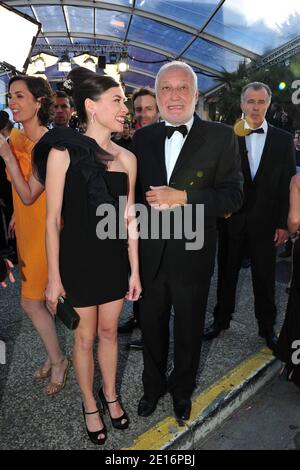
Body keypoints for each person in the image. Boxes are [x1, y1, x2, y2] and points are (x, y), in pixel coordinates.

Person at [33, 67, 141, 445]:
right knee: (84, 338)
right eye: (118, 100)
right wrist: (53, 278)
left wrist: (135, 271)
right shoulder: (63, 153)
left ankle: (110, 395)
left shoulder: (128, 158)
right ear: (92, 107)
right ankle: (89, 404)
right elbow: (51, 221)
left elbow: (130, 219)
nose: (124, 108)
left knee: (110, 333)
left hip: (113, 261)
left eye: (124, 101)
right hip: (77, 261)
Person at [132, 61, 243, 421]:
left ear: (196, 95)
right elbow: (132, 200)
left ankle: (181, 391)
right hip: (150, 253)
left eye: (183, 88)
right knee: (150, 325)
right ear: (157, 94)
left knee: (190, 327)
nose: (174, 95)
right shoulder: (143, 137)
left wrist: (183, 197)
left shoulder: (222, 136)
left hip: (193, 253)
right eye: (166, 88)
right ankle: (152, 388)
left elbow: (232, 197)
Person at [205, 82, 296, 350]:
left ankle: (266, 328)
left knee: (265, 277)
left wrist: (282, 223)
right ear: (242, 104)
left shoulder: (282, 139)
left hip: (266, 223)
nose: (255, 107)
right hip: (231, 220)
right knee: (226, 274)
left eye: (261, 102)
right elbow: (215, 177)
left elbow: (287, 184)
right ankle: (220, 320)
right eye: (250, 102)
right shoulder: (227, 136)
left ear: (268, 104)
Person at [0, 75, 69, 394]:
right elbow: (23, 193)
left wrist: (6, 156)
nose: (12, 101)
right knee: (40, 300)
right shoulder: (17, 137)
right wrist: (16, 212)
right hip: (27, 225)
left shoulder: (49, 145)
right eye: (10, 96)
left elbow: (30, 193)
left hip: (46, 230)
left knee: (36, 302)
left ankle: (63, 359)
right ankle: (57, 355)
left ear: (39, 102)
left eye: (19, 96)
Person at [275, 173, 300, 388]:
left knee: (297, 308)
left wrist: (293, 236)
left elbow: (294, 221)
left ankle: (294, 367)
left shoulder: (298, 180)